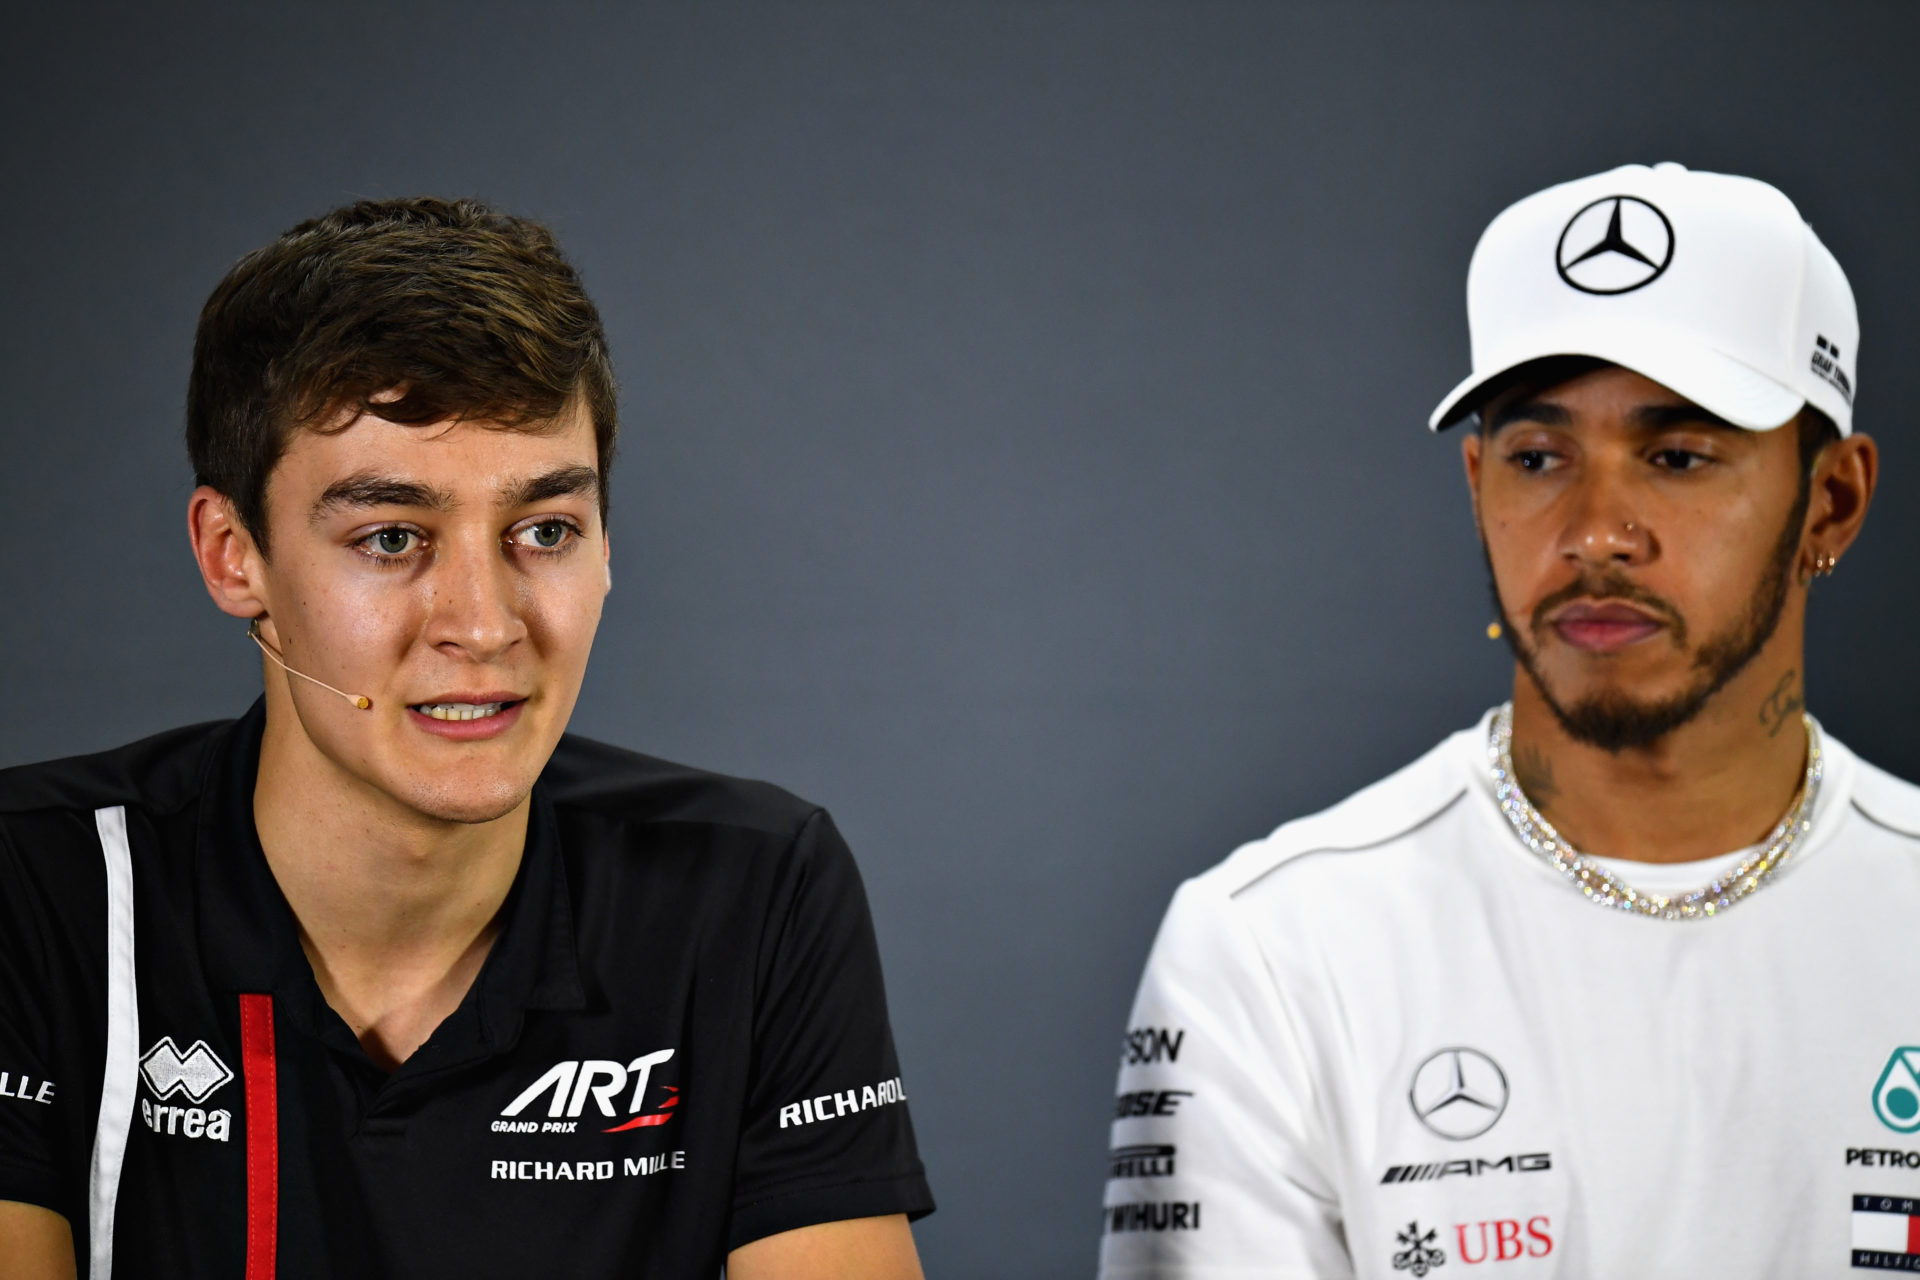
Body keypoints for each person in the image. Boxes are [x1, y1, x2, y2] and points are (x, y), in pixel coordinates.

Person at [0, 198, 932, 1279]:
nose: (485, 623)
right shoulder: (37, 885)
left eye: (544, 531)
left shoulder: (752, 887)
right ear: (232, 555)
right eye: (392, 537)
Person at [1099, 163, 1920, 1278]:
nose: (1596, 531)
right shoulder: (1273, 948)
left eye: (1677, 456)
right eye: (1539, 459)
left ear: (1834, 499)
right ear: (1478, 483)